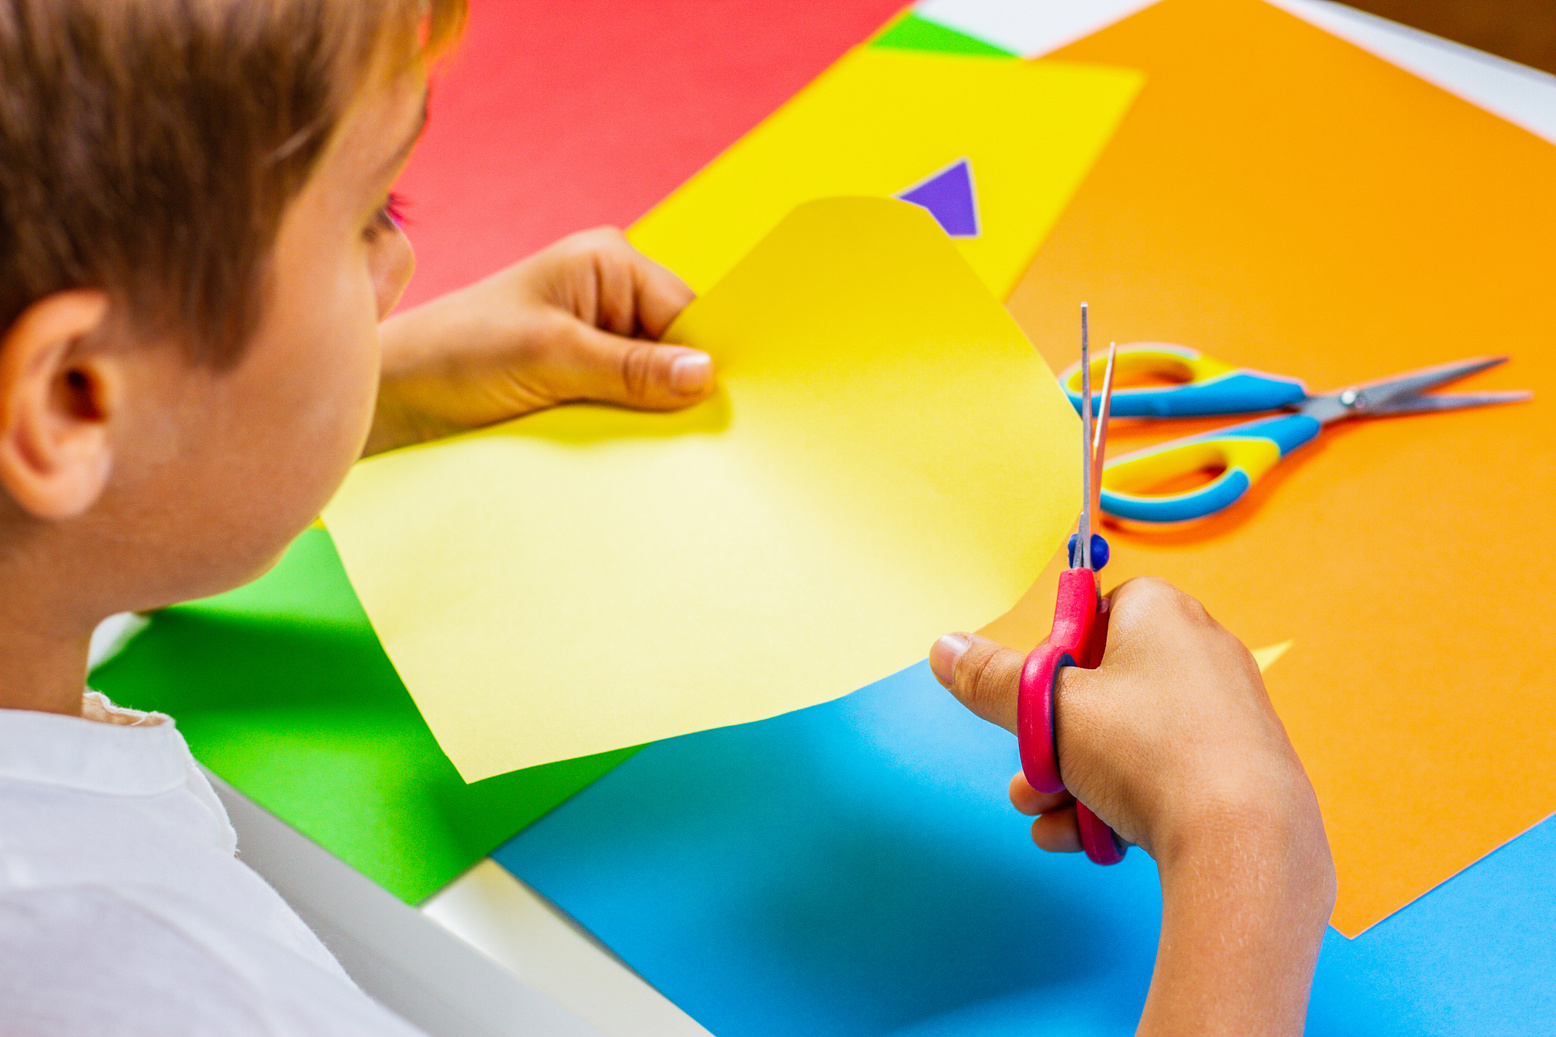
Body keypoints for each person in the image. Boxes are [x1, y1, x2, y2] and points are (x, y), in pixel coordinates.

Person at [0, 0, 1333, 1034]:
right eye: (370, 219)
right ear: (71, 399)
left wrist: (376, 386)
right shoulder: (147, 979)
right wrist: (1243, 855)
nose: (407, 267)